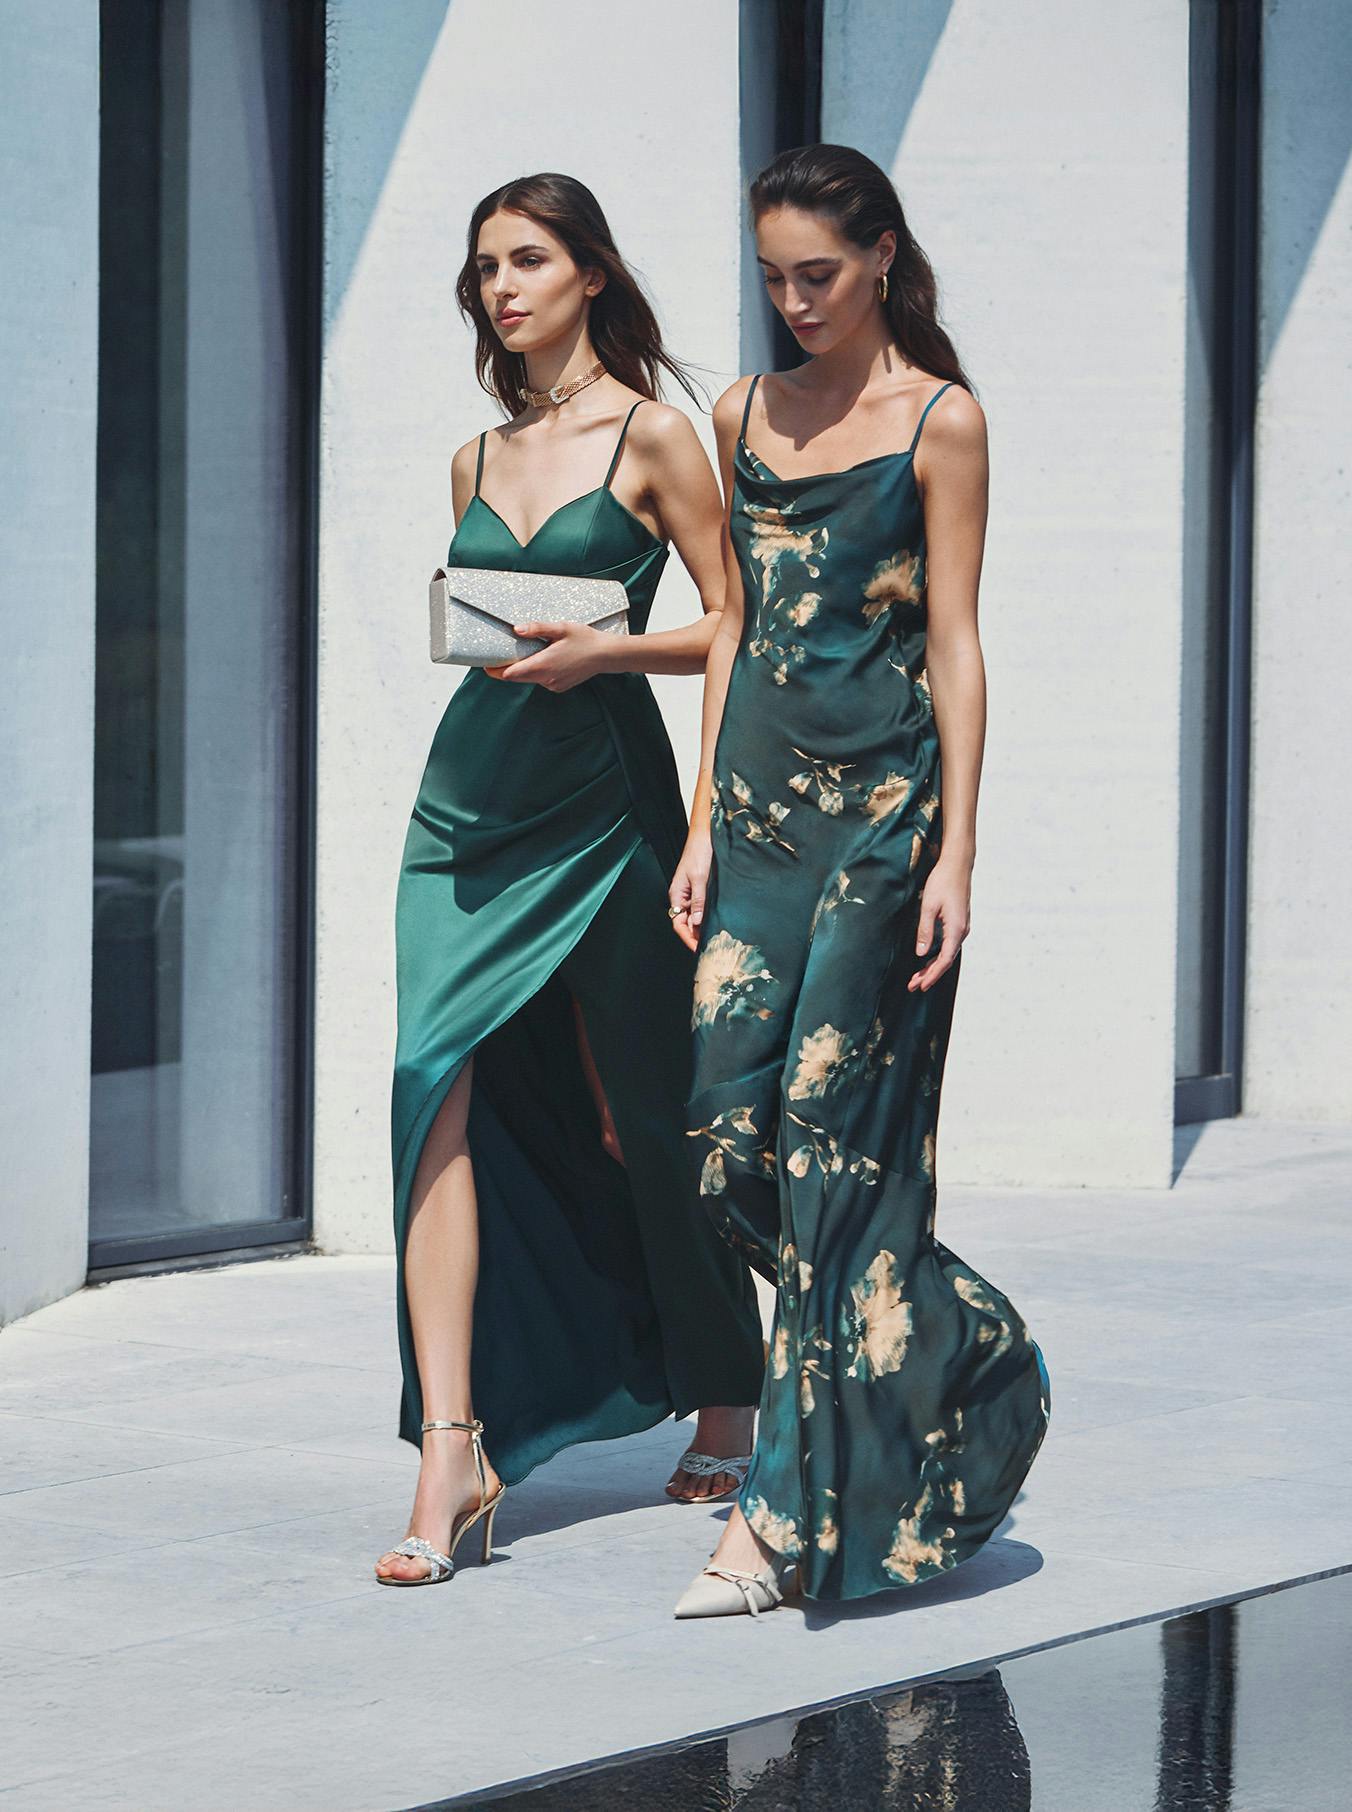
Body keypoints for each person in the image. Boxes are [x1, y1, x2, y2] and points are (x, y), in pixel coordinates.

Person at [669, 144, 1050, 1616]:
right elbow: (731, 628)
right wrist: (702, 821)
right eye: (769, 276)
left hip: (887, 821)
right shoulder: (738, 412)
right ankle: (953, 1337)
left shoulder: (942, 424)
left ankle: (769, 1518)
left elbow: (955, 639)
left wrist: (962, 848)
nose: (791, 301)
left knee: (830, 1139)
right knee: (723, 1143)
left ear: (883, 256)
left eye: (815, 274)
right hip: (758, 816)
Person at [376, 173, 764, 1586]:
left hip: (608, 808)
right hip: (469, 811)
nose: (502, 287)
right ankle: (453, 1446)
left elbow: (736, 624)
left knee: (650, 1111)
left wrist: (619, 669)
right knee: (431, 1092)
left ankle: (731, 1387)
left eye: (528, 259)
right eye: (485, 267)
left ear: (591, 272)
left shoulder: (655, 435)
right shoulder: (477, 460)